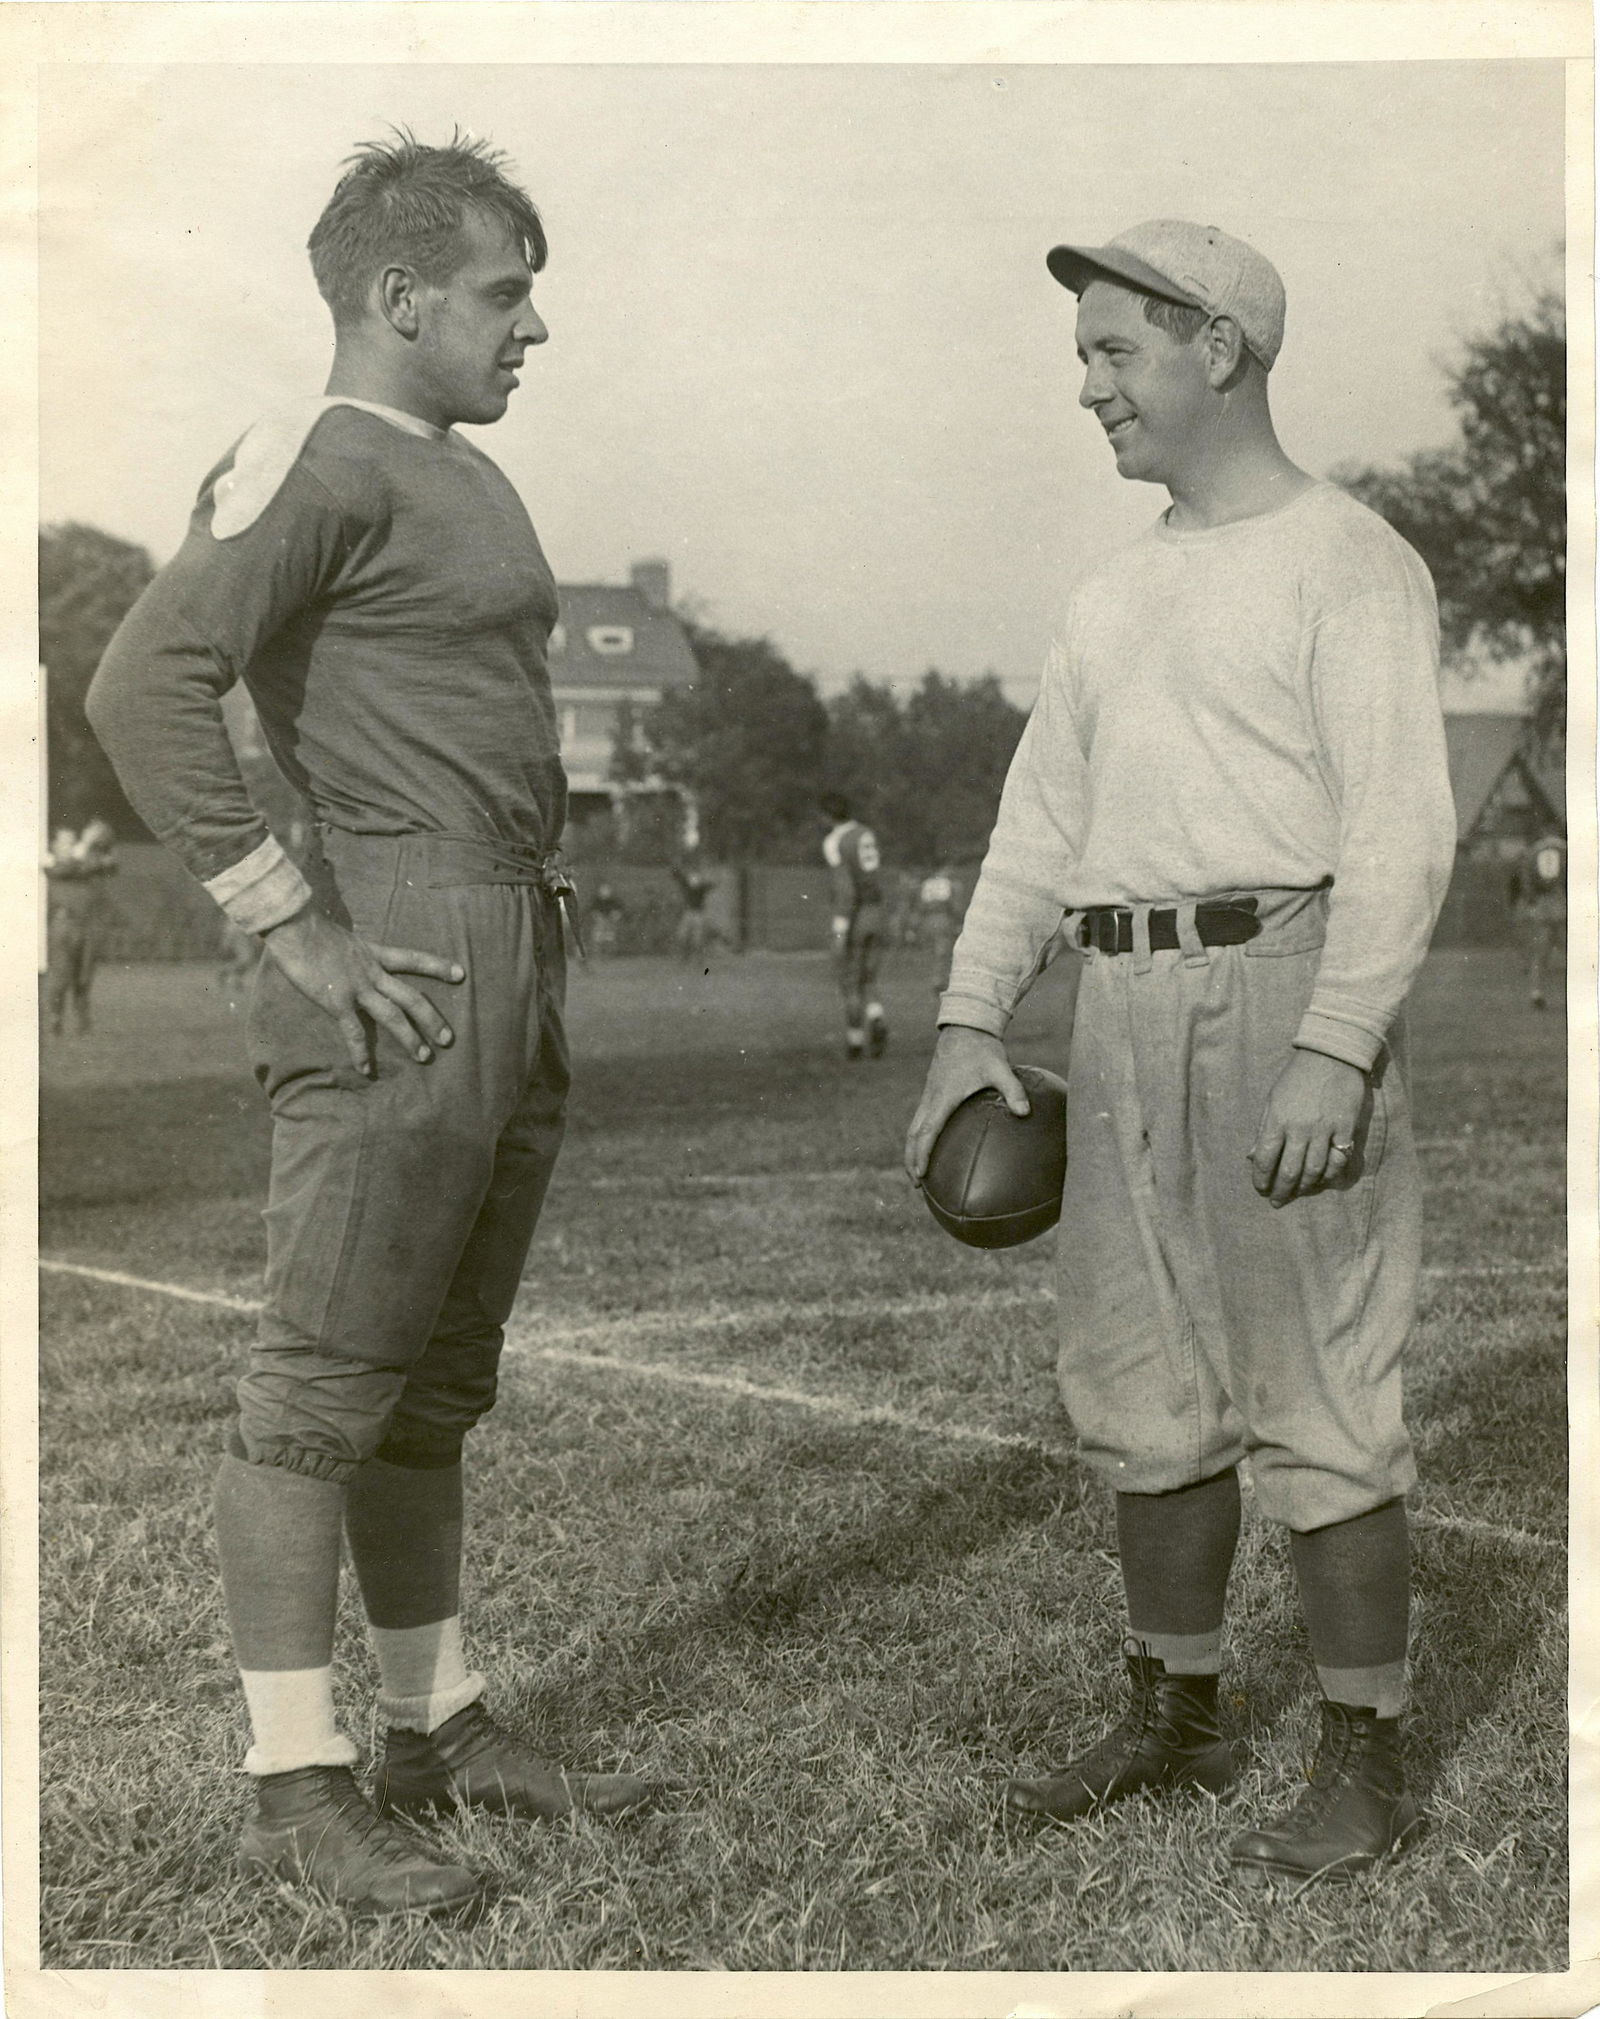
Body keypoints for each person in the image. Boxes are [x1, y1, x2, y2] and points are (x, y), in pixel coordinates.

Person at [88, 132, 651, 1919]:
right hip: (402, 950)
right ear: (398, 298)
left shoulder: (450, 468)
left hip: (507, 942)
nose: (533, 326)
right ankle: (293, 1775)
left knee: (428, 1384)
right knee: (323, 1381)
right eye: (503, 291)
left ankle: (433, 1722)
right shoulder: (316, 453)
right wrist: (291, 923)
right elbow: (140, 676)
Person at [906, 221, 1457, 1888]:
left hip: (1280, 985)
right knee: (1140, 1384)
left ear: (1219, 345)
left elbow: (1402, 834)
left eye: (1113, 353)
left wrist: (1336, 1046)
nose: (1088, 389)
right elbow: (1039, 826)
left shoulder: (1350, 560)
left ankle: (1364, 1743)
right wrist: (963, 1019)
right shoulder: (1115, 588)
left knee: (1321, 1387)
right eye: (1084, 357)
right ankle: (1182, 1707)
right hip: (1120, 1002)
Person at [820, 793, 888, 1060]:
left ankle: (855, 1041)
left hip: (857, 916)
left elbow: (846, 890)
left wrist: (840, 929)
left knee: (849, 981)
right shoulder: (865, 832)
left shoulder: (834, 841)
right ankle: (877, 1016)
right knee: (868, 978)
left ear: (826, 816)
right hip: (877, 911)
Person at [44, 819, 118, 1036]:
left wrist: (103, 842)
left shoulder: (81, 863)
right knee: (61, 975)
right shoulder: (52, 863)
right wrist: (85, 844)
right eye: (66, 842)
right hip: (63, 925)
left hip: (86, 926)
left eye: (73, 841)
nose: (71, 846)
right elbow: (65, 869)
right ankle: (55, 1020)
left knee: (84, 976)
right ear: (54, 846)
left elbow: (110, 865)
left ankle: (82, 1023)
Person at [1507, 828, 1566, 1010]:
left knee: (1540, 953)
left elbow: (1526, 882)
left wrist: (1532, 901)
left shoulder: (1533, 852)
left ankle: (1536, 992)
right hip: (1562, 905)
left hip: (1542, 907)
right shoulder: (1564, 849)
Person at [916, 863, 962, 997]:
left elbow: (920, 905)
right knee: (943, 952)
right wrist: (958, 921)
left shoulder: (927, 883)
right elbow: (955, 906)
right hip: (943, 918)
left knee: (932, 951)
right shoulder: (949, 883)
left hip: (927, 920)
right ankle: (939, 981)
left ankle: (934, 979)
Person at [671, 861, 716, 962]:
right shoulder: (688, 885)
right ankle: (685, 957)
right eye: (692, 877)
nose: (694, 879)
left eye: (696, 877)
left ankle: (698, 958)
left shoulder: (701, 887)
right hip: (689, 912)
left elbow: (712, 884)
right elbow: (676, 875)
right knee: (683, 935)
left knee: (697, 938)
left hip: (698, 913)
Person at [586, 880, 625, 958]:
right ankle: (597, 954)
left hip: (611, 923)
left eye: (607, 889)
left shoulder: (614, 901)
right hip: (599, 923)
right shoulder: (595, 901)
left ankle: (610, 954)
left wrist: (615, 915)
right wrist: (598, 918)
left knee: (610, 935)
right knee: (598, 934)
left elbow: (619, 911)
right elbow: (592, 912)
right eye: (603, 889)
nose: (605, 892)